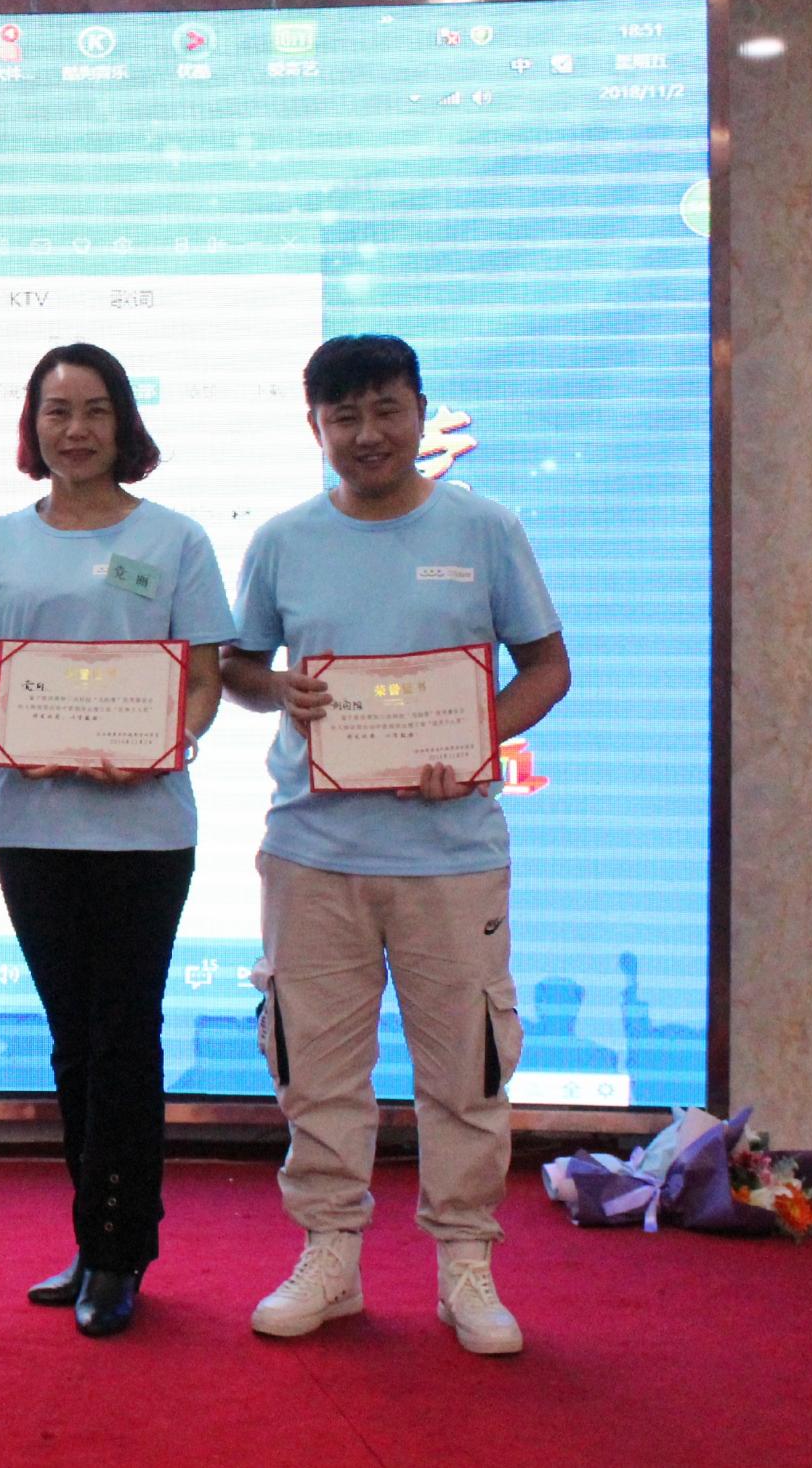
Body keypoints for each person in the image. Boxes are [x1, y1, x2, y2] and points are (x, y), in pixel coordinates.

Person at [220, 333, 570, 1356]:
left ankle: (465, 1264)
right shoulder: (283, 539)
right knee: (316, 1067)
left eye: (386, 409)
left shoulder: (485, 527)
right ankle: (329, 1253)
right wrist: (275, 688)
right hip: (312, 848)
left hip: (450, 852)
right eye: (345, 417)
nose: (367, 434)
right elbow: (238, 668)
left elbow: (547, 667)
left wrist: (477, 739)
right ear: (316, 428)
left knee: (465, 1068)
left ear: (420, 412)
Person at [0, 343, 234, 1338]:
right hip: (31, 825)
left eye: (95, 410)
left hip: (145, 829)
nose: (75, 430)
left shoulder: (177, 538)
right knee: (74, 1038)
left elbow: (203, 682)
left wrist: (164, 743)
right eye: (56, 411)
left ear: (124, 424)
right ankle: (92, 1236)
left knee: (125, 1035)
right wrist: (13, 732)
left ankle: (121, 1249)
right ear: (32, 426)